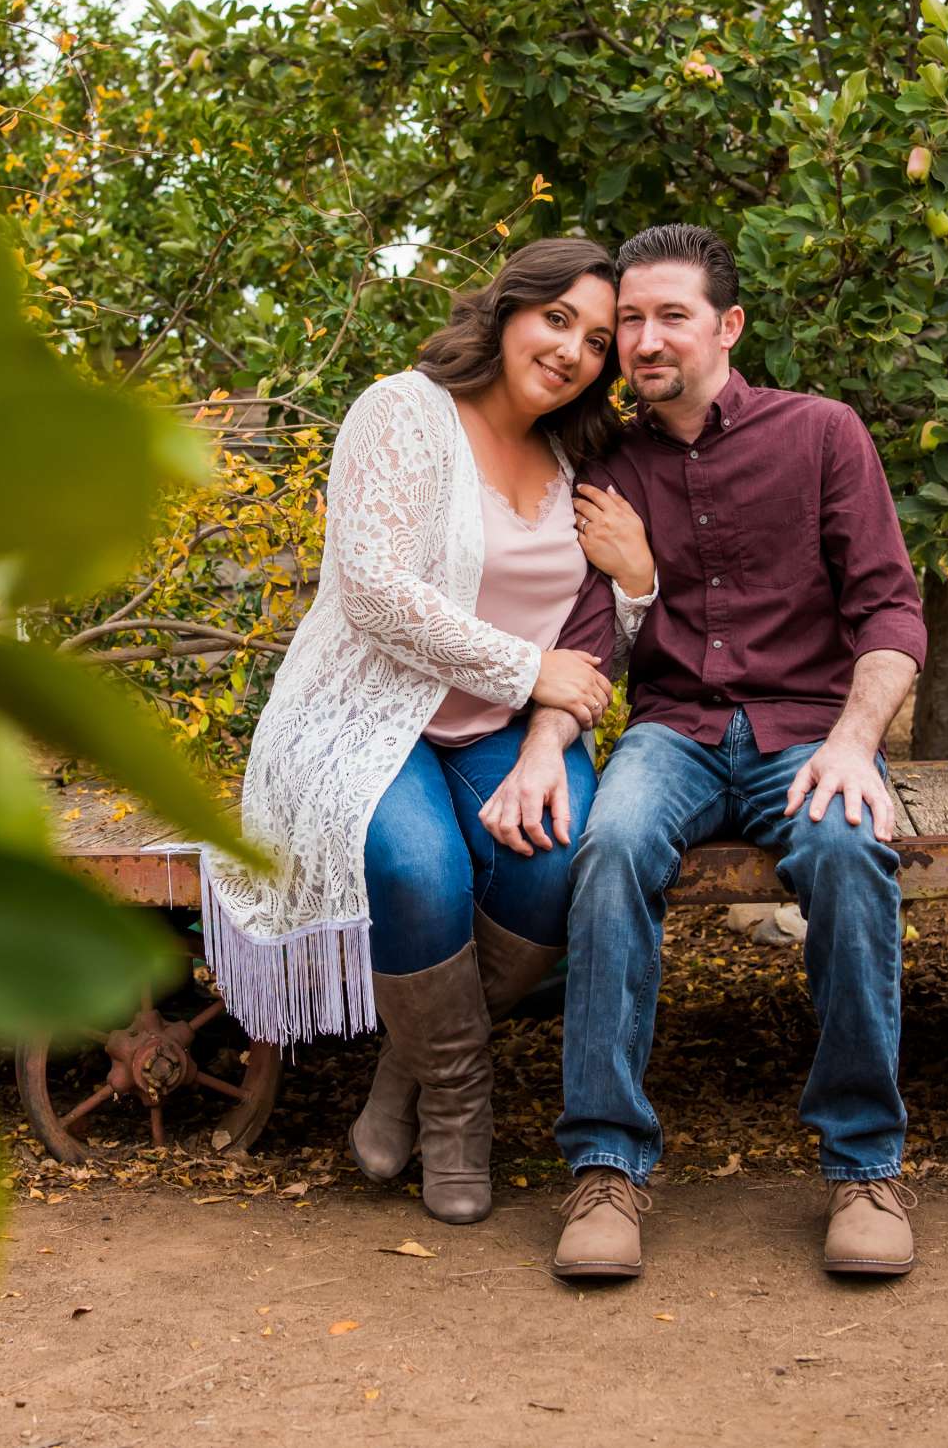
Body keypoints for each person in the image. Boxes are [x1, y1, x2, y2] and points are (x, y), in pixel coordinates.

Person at [474, 223, 928, 1280]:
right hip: (672, 733)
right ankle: (605, 1168)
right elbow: (585, 636)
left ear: (726, 326)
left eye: (669, 314)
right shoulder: (605, 464)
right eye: (628, 319)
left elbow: (891, 612)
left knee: (851, 851)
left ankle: (865, 1168)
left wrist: (858, 745)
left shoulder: (822, 433)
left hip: (808, 729)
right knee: (610, 846)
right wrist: (545, 747)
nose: (641, 337)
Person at [201, 237, 657, 1226]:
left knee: (550, 860)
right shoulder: (402, 412)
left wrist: (635, 586)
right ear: (508, 311)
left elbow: (593, 629)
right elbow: (374, 590)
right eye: (558, 318)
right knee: (421, 870)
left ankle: (400, 1080)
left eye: (597, 339)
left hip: (505, 727)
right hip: (367, 712)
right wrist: (527, 668)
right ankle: (459, 1108)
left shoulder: (584, 454)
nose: (573, 350)